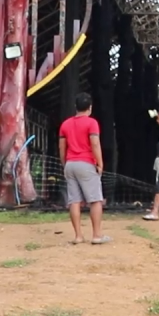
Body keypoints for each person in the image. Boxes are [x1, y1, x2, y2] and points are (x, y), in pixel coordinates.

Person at [58, 93, 110, 245]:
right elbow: (94, 143)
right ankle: (96, 235)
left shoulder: (65, 124)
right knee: (95, 200)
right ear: (90, 107)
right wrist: (100, 163)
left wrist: (64, 163)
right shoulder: (91, 123)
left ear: (76, 107)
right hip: (86, 163)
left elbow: (62, 146)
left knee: (74, 201)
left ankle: (78, 236)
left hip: (70, 164)